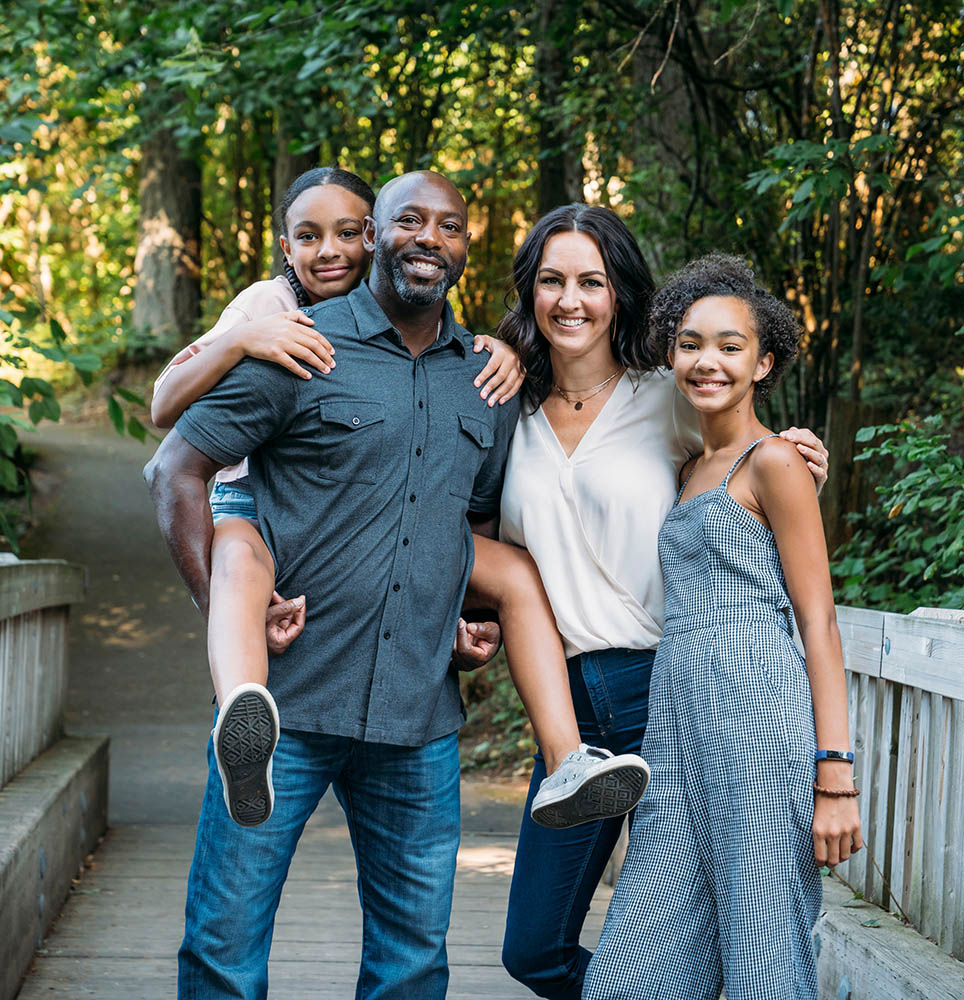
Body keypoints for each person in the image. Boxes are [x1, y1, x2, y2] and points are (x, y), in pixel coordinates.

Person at [143, 171, 642, 1000]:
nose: (428, 237)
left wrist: (467, 615)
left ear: (464, 248)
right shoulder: (300, 343)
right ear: (373, 234)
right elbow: (175, 468)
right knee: (224, 957)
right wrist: (221, 607)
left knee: (411, 967)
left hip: (418, 719)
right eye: (408, 219)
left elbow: (474, 527)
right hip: (285, 714)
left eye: (449, 225)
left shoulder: (487, 379)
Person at [496, 206, 831, 1000]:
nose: (570, 300)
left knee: (734, 913)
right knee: (533, 947)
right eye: (552, 281)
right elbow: (495, 542)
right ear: (530, 293)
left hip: (673, 685)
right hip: (569, 712)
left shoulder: (665, 394)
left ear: (621, 295)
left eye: (592, 281)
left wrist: (799, 457)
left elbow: (746, 456)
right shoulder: (502, 411)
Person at [582, 253, 863, 1000]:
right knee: (629, 970)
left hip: (759, 715)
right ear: (671, 353)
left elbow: (820, 621)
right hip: (677, 724)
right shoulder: (685, 469)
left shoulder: (775, 461)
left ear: (763, 362)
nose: (708, 361)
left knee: (762, 945)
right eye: (691, 343)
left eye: (730, 346)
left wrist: (835, 771)